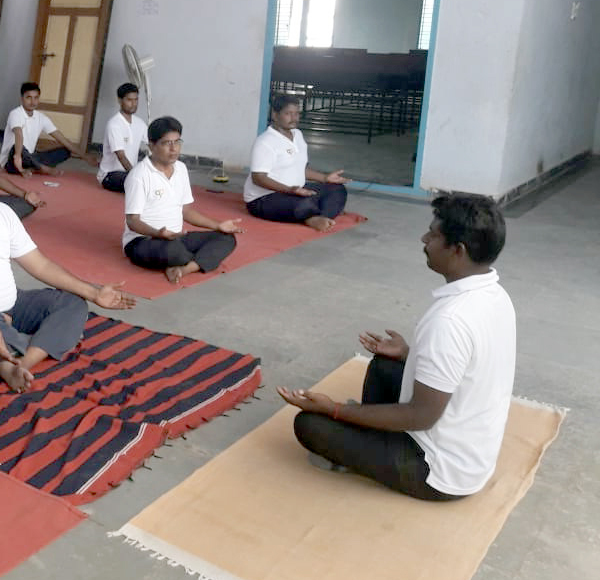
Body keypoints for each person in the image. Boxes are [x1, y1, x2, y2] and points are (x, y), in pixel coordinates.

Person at [278, 193, 516, 501]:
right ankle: (370, 431)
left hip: (438, 472)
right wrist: (407, 354)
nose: (424, 239)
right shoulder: (495, 294)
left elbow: (422, 417)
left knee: (309, 424)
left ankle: (363, 439)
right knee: (384, 365)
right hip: (470, 452)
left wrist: (335, 409)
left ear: (458, 250)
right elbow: (468, 364)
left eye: (433, 235)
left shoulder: (449, 320)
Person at [0, 145, 135, 393]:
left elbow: (39, 264)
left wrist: (95, 293)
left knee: (72, 304)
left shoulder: (3, 213)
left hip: (11, 306)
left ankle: (18, 363)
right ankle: (40, 341)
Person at [123, 116, 243, 284]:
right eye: (167, 143)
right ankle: (195, 261)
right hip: (144, 241)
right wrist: (158, 233)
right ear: (151, 146)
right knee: (173, 251)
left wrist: (218, 225)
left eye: (177, 142)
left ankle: (184, 268)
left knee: (227, 238)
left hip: (176, 237)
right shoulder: (139, 175)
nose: (174, 149)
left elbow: (186, 211)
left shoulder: (181, 169)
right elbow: (132, 221)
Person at [244, 95, 350, 232]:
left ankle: (317, 216)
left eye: (297, 113)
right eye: (288, 114)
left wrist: (325, 178)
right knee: (302, 204)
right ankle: (315, 215)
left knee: (337, 190)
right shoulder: (265, 142)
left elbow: (300, 168)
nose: (294, 118)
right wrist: (290, 190)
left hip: (296, 191)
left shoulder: (298, 135)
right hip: (265, 198)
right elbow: (258, 178)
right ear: (275, 115)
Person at [0, 82, 99, 176]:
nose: (32, 102)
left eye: (36, 98)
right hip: (12, 160)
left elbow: (63, 139)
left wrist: (85, 157)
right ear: (22, 99)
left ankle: (34, 167)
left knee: (65, 150)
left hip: (29, 158)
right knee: (18, 148)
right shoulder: (15, 113)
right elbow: (19, 134)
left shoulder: (41, 118)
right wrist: (17, 156)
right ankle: (42, 168)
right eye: (29, 98)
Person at [97, 82, 148, 193]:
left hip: (129, 172)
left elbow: (154, 144)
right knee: (141, 185)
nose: (133, 104)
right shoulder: (114, 124)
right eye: (129, 100)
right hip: (110, 175)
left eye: (136, 100)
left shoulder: (139, 123)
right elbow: (121, 156)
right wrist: (135, 176)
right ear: (120, 101)